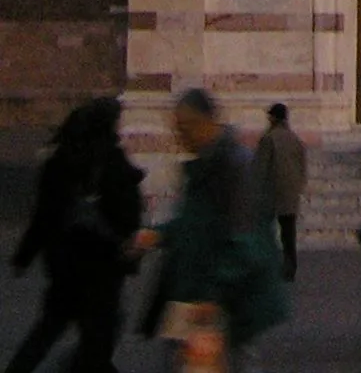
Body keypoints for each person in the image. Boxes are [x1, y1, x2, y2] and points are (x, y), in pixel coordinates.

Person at [139, 87, 286, 361]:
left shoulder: (234, 165)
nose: (181, 137)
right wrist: (157, 235)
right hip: (196, 296)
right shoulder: (207, 163)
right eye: (177, 129)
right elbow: (196, 223)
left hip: (219, 303)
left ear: (207, 122)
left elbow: (246, 239)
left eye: (186, 127)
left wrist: (213, 296)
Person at [7, 96, 144, 373]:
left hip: (64, 268)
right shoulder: (114, 164)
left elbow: (43, 217)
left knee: (48, 329)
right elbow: (129, 215)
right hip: (102, 271)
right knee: (98, 340)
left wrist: (24, 256)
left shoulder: (60, 162)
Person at [252, 103, 307, 283]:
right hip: (291, 194)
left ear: (274, 118)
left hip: (272, 193)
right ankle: (290, 267)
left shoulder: (269, 139)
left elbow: (260, 168)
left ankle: (266, 267)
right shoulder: (295, 139)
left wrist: (255, 191)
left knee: (265, 232)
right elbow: (302, 167)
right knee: (288, 234)